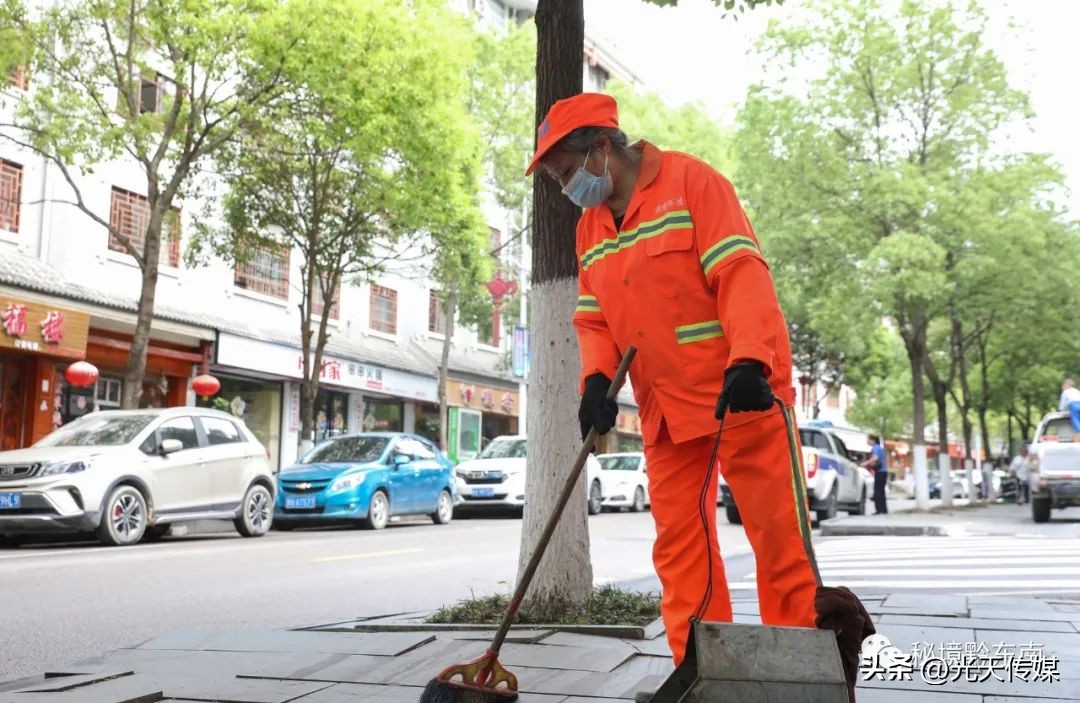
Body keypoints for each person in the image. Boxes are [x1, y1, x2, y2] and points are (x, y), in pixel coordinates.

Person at [526, 93, 821, 670]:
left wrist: (750, 359)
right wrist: (594, 383)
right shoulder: (591, 228)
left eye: (566, 172)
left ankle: (800, 675)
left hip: (741, 395)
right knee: (683, 557)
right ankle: (702, 674)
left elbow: (740, 274)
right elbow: (594, 318)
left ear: (602, 149)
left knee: (779, 549)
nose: (566, 189)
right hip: (665, 409)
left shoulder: (694, 185)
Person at [861, 435, 889, 514]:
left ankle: (879, 510)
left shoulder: (876, 448)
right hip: (883, 471)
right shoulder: (879, 448)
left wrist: (866, 463)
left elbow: (875, 458)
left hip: (880, 471)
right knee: (881, 491)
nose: (867, 441)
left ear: (872, 440)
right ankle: (883, 510)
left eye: (867, 439)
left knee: (878, 491)